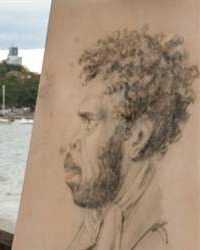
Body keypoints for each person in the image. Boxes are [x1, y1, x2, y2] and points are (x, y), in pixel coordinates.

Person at [63, 26, 198, 249]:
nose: (74, 140)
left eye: (90, 122)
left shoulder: (151, 240)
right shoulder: (99, 222)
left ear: (137, 138)